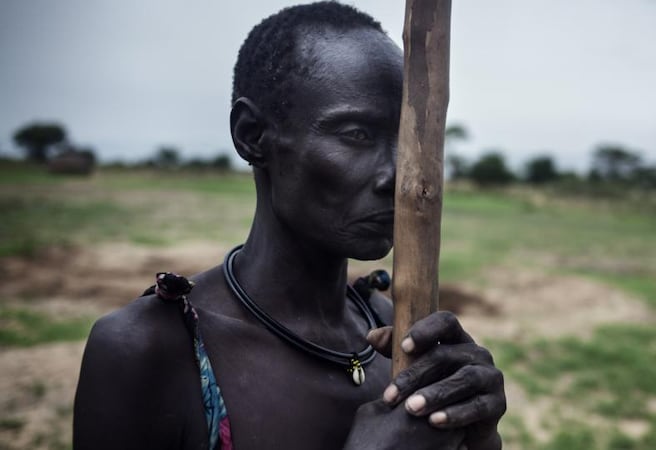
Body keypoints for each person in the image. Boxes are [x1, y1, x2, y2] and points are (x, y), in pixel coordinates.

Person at [73, 2, 505, 449]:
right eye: (356, 134)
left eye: (405, 138)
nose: (399, 176)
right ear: (252, 135)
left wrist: (479, 436)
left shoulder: (391, 331)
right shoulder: (150, 350)